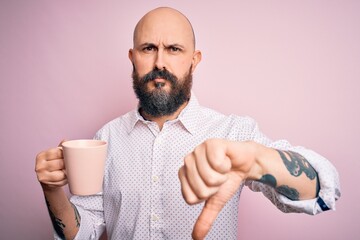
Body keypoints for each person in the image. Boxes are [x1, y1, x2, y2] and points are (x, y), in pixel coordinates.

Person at [35, 7, 340, 240]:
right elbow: (81, 232)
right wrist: (52, 191)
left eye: (174, 49)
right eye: (148, 48)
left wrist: (258, 160)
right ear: (132, 57)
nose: (160, 63)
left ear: (194, 60)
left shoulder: (233, 134)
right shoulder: (107, 138)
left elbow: (321, 189)